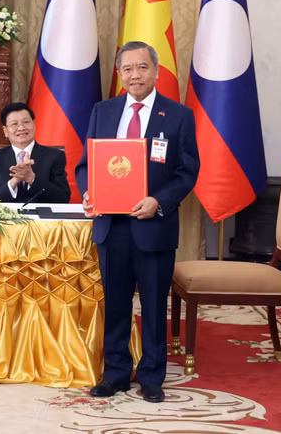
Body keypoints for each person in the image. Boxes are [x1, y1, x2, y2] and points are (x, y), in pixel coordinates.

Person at [75, 41, 199, 403]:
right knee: (115, 304)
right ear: (119, 74)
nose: (135, 75)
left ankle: (151, 376)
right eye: (127, 69)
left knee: (154, 304)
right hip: (111, 226)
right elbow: (87, 164)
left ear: (156, 72)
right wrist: (89, 193)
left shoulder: (177, 115)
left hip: (154, 226)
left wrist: (159, 201)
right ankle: (115, 373)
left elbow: (187, 171)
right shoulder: (103, 111)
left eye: (142, 67)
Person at [0, 102, 70, 203]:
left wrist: (31, 179)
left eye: (26, 122)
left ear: (34, 125)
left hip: (44, 217)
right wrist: (14, 181)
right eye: (14, 124)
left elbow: (63, 197)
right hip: (7, 218)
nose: (21, 128)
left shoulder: (54, 157)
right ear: (5, 131)